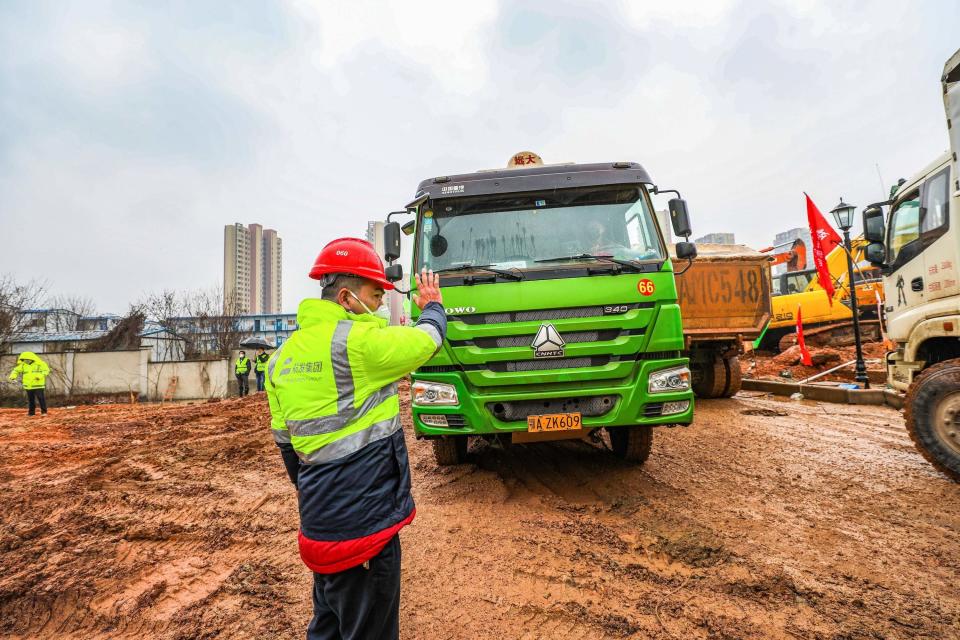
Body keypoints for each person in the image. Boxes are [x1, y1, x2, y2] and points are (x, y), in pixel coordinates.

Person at [265, 237, 446, 640]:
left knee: (328, 626)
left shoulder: (282, 357)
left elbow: (289, 451)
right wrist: (433, 305)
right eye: (375, 295)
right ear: (347, 297)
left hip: (321, 527)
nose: (381, 304)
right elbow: (427, 340)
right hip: (364, 533)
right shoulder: (357, 345)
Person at [8, 351, 50, 416]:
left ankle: (44, 412)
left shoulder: (41, 364)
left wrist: (39, 376)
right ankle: (31, 413)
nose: (25, 361)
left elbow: (46, 371)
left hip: (38, 385)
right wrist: (13, 376)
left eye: (27, 359)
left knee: (41, 398)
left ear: (31, 358)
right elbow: (15, 370)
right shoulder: (23, 365)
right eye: (24, 359)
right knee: (31, 400)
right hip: (28, 386)